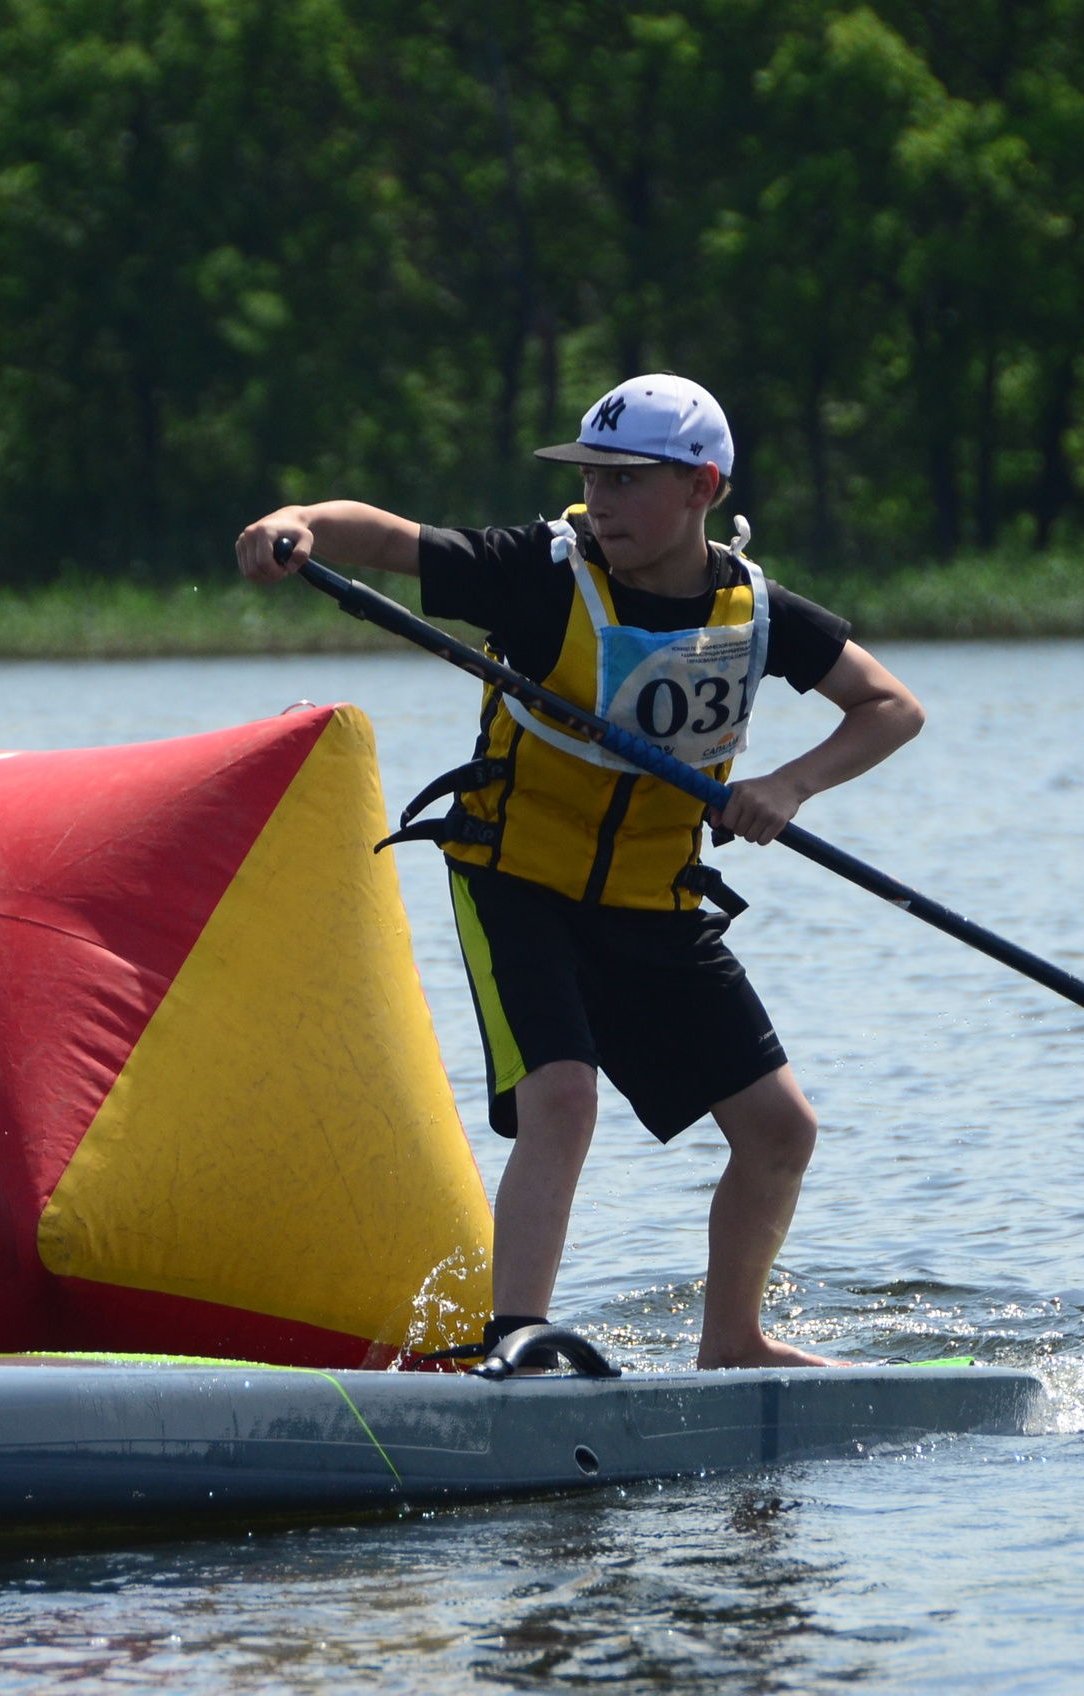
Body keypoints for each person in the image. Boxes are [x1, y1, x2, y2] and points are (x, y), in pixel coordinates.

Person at [236, 374, 923, 1369]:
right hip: (517, 880)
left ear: (703, 486)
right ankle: (515, 1340)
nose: (599, 501)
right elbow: (387, 540)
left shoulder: (756, 610)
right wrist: (297, 519)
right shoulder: (536, 573)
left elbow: (889, 705)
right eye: (589, 477)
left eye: (626, 480)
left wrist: (790, 784)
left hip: (655, 901)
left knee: (780, 1130)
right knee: (563, 1095)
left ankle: (733, 1342)